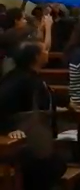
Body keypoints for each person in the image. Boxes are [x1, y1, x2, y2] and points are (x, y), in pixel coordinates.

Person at [0, 40, 68, 190]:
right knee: (53, 166)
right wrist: (9, 129)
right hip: (21, 142)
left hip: (31, 137)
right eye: (44, 50)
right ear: (36, 57)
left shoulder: (21, 75)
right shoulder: (22, 81)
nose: (47, 52)